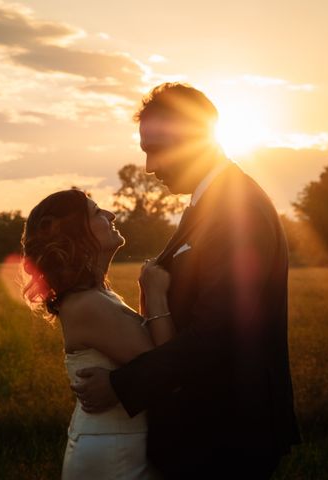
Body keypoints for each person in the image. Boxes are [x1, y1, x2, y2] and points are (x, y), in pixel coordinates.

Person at [71, 83, 302, 479]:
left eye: (154, 149)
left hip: (226, 438)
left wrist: (123, 386)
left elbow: (219, 333)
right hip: (207, 432)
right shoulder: (208, 203)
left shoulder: (237, 208)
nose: (148, 167)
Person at [21, 188, 175, 479]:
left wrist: (145, 292)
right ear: (73, 233)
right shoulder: (86, 304)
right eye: (96, 212)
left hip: (120, 442)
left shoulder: (98, 295)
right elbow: (164, 367)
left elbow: (145, 349)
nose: (111, 214)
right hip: (113, 452)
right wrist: (156, 294)